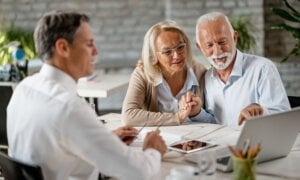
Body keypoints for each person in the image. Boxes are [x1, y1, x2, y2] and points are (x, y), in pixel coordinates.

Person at [7, 11, 167, 180]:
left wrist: (105, 142)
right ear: (63, 47)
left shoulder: (23, 88)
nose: (95, 51)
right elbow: (139, 172)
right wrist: (153, 150)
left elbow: (56, 150)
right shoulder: (69, 107)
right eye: (89, 44)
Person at [193, 12, 291, 127]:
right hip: (223, 144)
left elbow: (284, 117)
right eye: (209, 45)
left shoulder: (263, 68)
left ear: (234, 38)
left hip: (256, 143)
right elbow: (215, 122)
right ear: (199, 47)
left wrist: (261, 111)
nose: (218, 51)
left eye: (222, 42)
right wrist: (196, 113)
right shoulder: (207, 77)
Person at [122, 20, 215, 127]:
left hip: (195, 140)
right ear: (154, 56)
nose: (176, 55)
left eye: (180, 47)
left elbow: (214, 120)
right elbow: (128, 116)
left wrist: (197, 113)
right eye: (167, 52)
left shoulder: (200, 72)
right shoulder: (142, 74)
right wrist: (177, 117)